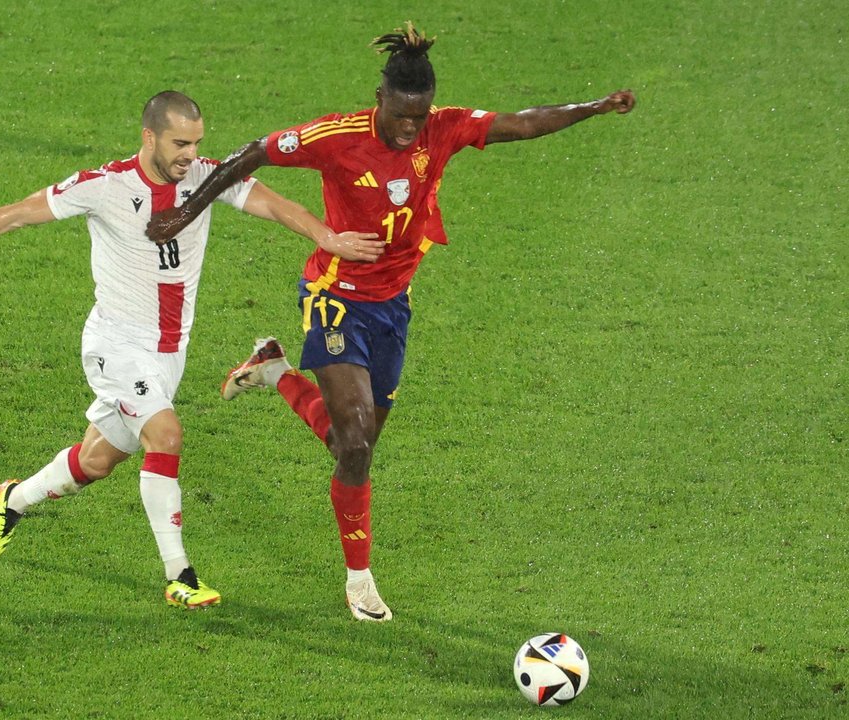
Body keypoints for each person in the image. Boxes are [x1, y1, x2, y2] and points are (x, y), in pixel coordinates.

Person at [146, 25, 636, 621]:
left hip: (393, 305)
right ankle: (359, 581)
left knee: (354, 446)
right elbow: (253, 152)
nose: (411, 128)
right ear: (380, 98)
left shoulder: (443, 128)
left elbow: (523, 122)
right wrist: (187, 211)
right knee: (354, 444)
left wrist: (597, 106)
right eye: (402, 116)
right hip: (335, 296)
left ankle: (275, 371)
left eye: (420, 116)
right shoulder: (336, 137)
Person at [0, 90, 383, 610]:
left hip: (169, 354)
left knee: (96, 462)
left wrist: (327, 237)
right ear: (149, 137)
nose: (190, 154)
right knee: (165, 435)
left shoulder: (204, 178)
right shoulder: (105, 186)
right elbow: (17, 213)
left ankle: (15, 498)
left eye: (196, 142)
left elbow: (275, 205)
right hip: (116, 345)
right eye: (179, 143)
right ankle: (180, 576)